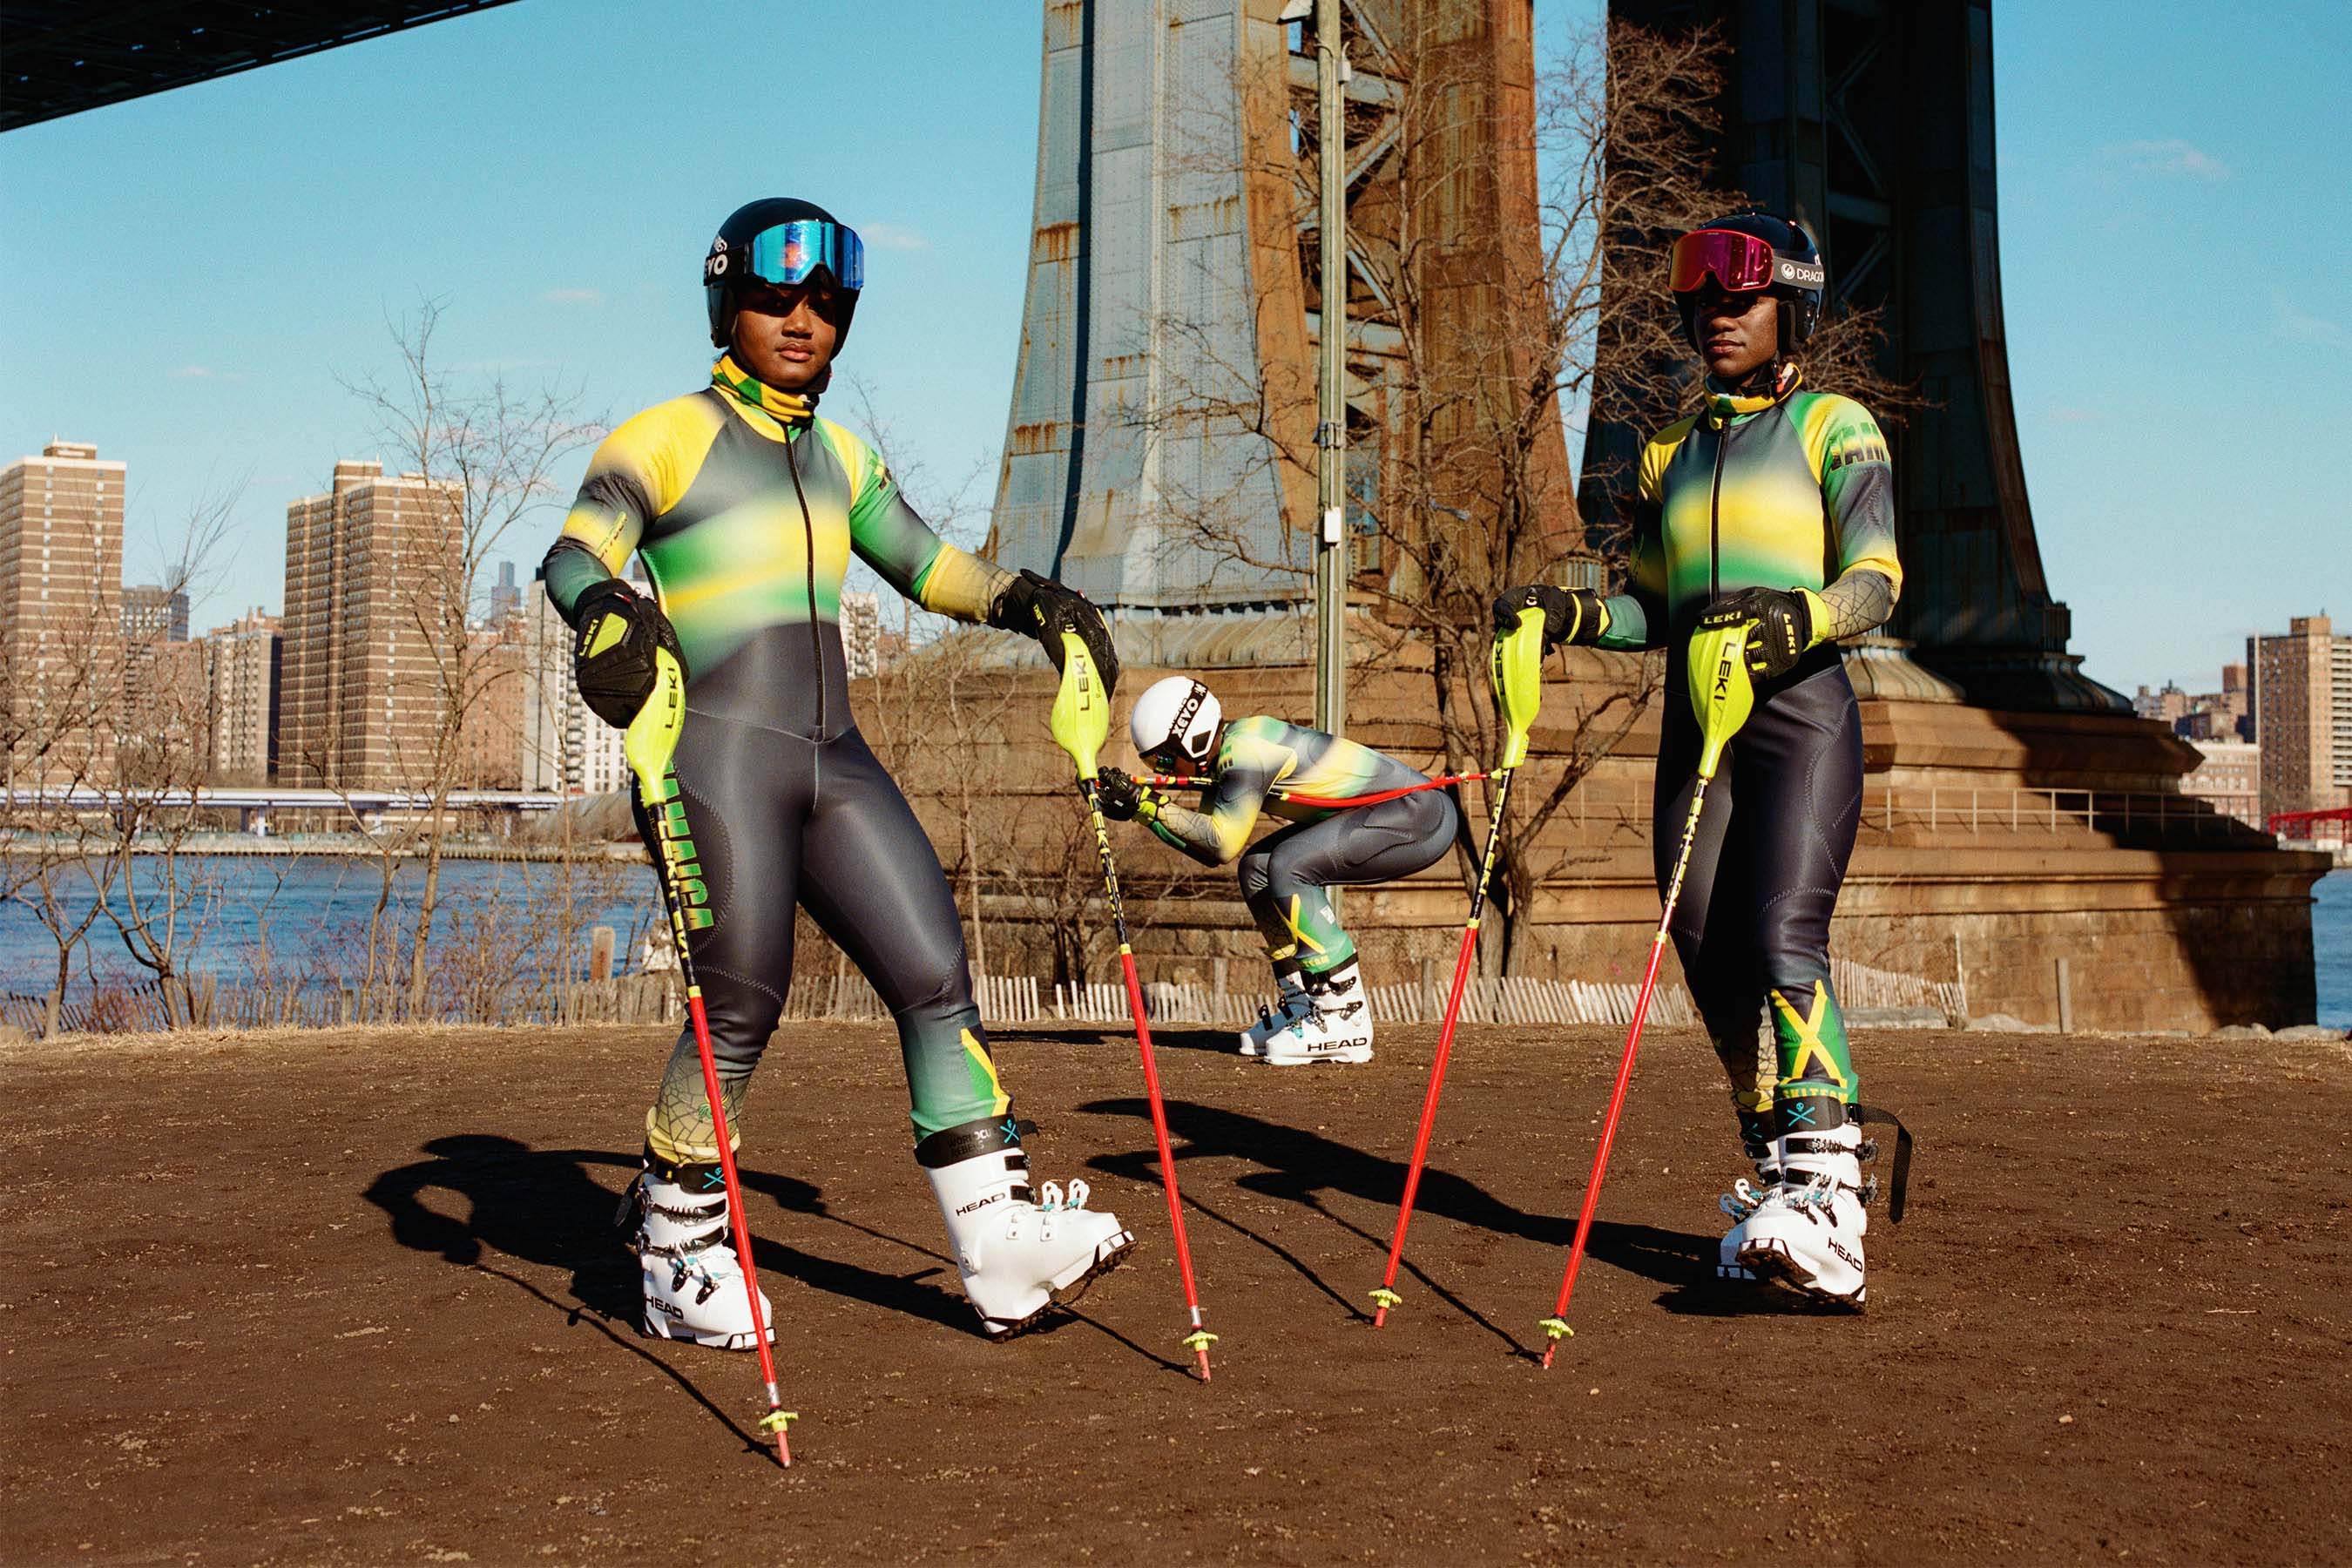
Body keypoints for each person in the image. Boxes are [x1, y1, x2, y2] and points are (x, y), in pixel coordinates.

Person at [541, 198, 1132, 1344]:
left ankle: (997, 1246)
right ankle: (672, 1241)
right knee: (743, 996)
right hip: (710, 753)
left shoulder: (840, 453)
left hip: (835, 757)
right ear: (727, 300)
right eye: (775, 297)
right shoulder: (665, 438)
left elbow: (924, 564)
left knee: (932, 970)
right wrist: (608, 614)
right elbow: (574, 555)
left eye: (824, 301)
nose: (801, 318)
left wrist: (1032, 601)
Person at [1495, 211, 1901, 1305]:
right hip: (1695, 722)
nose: (1718, 317)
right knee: (1706, 939)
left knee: (1782, 933)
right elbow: (1651, 611)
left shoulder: (1835, 425)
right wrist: (1562, 615)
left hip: (1799, 713)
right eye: (1704, 302)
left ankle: (1835, 1196)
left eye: (1743, 300)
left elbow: (1877, 581)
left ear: (1791, 309)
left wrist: (1795, 621)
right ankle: (1780, 1168)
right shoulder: (1667, 452)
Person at [1094, 675, 1460, 1066]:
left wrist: (1148, 806)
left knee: (1288, 865)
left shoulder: (1246, 751)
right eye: (1152, 763)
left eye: (1162, 759)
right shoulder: (1227, 752)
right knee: (1258, 868)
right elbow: (1209, 849)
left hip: (1420, 815)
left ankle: (1344, 1016)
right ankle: (1306, 1002)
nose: (1161, 770)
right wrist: (1143, 811)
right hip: (1400, 814)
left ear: (1191, 738)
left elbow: (1221, 841)